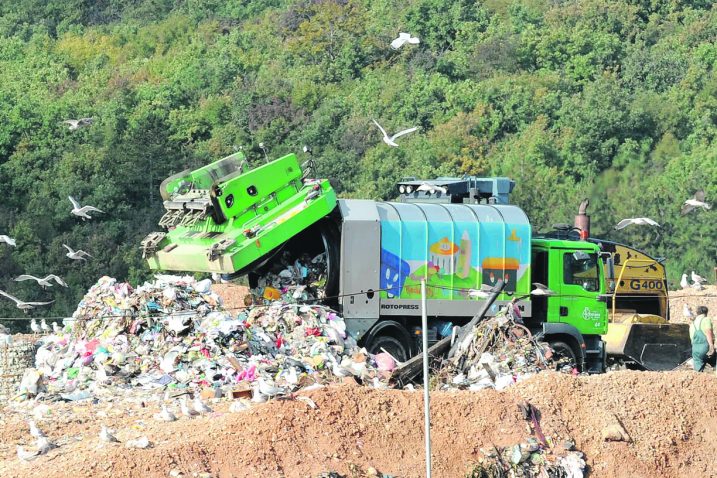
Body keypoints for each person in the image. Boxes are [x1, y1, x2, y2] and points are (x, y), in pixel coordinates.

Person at [689, 306, 714, 372]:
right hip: (705, 347)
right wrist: (711, 345)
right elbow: (708, 332)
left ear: (697, 313)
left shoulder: (692, 324)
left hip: (695, 350)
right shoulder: (706, 319)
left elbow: (692, 339)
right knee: (714, 360)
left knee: (698, 370)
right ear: (706, 313)